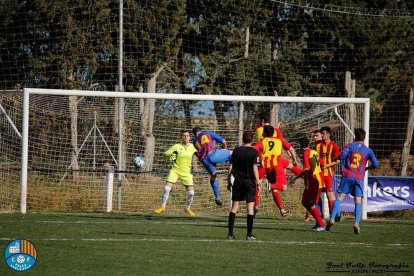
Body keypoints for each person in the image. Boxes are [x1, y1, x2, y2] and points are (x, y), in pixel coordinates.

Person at [326, 128, 379, 234]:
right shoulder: (368, 150)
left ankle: (332, 219)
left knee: (340, 197)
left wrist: (337, 158)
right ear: (364, 137)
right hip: (359, 178)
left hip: (347, 176)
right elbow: (376, 164)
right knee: (358, 201)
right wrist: (366, 168)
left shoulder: (350, 146)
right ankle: (356, 223)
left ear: (355, 136)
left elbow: (342, 156)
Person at [253, 112, 300, 215]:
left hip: (262, 161)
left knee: (258, 183)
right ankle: (281, 208)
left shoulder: (258, 129)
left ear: (261, 121)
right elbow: (282, 141)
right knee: (290, 167)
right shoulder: (277, 132)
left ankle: (256, 205)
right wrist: (292, 156)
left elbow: (265, 136)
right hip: (276, 161)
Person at [154, 130, 198, 216]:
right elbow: (166, 153)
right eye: (184, 135)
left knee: (191, 193)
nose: (185, 137)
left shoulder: (193, 147)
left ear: (190, 137)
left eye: (187, 135)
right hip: (175, 170)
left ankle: (187, 208)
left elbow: (200, 154)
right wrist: (171, 154)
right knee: (167, 188)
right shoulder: (176, 146)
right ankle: (162, 207)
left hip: (186, 172)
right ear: (181, 137)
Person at [227, 130, 260, 241]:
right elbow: (255, 168)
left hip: (238, 181)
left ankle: (230, 234)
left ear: (243, 139)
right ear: (252, 139)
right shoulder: (254, 152)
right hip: (249, 182)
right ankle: (249, 235)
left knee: (234, 208)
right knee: (250, 209)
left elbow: (230, 167)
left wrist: (228, 181)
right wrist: (258, 182)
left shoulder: (236, 151)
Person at [291, 137, 326, 231]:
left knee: (310, 203)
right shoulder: (313, 152)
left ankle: (321, 224)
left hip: (314, 181)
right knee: (304, 202)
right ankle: (319, 222)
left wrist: (296, 177)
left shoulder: (306, 153)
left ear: (300, 145)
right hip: (314, 180)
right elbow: (322, 164)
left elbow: (306, 168)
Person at [192, 127, 232, 206]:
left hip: (204, 160)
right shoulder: (207, 133)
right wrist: (224, 150)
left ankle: (217, 197)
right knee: (232, 153)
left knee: (214, 176)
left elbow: (197, 154)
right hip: (212, 154)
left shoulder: (194, 141)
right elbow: (223, 141)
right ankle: (233, 176)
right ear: (201, 131)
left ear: (194, 134)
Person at [315, 126, 341, 220]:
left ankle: (333, 215)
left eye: (323, 133)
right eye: (321, 133)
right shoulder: (317, 144)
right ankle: (319, 215)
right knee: (316, 193)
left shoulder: (333, 146)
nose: (322, 135)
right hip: (318, 173)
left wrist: (327, 165)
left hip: (328, 173)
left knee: (329, 193)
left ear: (328, 134)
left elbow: (338, 160)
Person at [304, 129, 323, 222]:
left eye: (317, 135)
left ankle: (330, 218)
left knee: (327, 195)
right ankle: (318, 218)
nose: (314, 137)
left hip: (320, 177)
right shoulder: (314, 149)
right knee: (315, 198)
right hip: (318, 176)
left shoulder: (321, 147)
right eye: (314, 136)